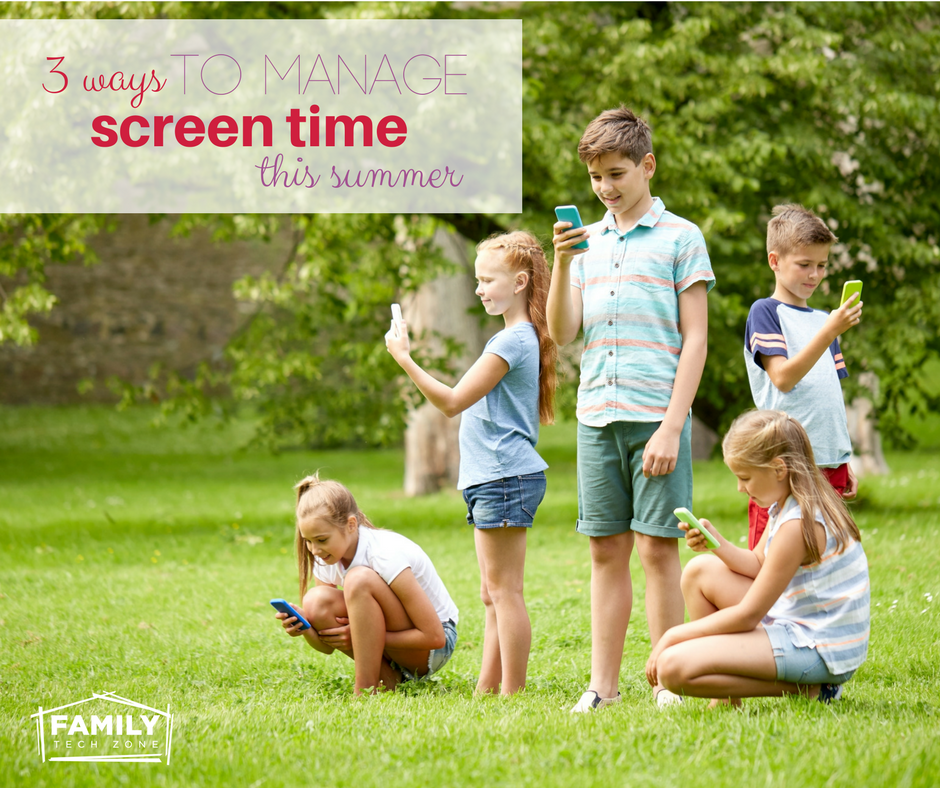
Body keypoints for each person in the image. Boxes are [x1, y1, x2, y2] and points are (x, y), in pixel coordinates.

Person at [547, 105, 715, 710]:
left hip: (656, 418)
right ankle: (603, 688)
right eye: (596, 178)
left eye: (616, 174)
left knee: (657, 548)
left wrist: (672, 427)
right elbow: (563, 333)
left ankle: (669, 682)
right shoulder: (586, 243)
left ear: (648, 165)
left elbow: (696, 338)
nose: (606, 188)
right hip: (597, 417)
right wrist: (563, 262)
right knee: (605, 551)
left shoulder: (682, 238)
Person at [385, 230, 557, 695]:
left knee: (505, 592)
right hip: (492, 477)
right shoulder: (513, 337)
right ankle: (487, 688)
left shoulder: (512, 341)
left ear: (519, 282)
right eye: (477, 279)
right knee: (491, 593)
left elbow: (452, 401)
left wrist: (405, 359)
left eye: (487, 280)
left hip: (504, 476)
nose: (479, 289)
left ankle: (512, 692)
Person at [645, 409, 870, 704]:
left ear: (778, 469)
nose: (740, 488)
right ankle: (726, 701)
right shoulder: (788, 504)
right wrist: (716, 543)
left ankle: (815, 688)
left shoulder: (797, 524)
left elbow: (748, 615)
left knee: (672, 668)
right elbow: (760, 564)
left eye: (745, 477)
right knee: (699, 571)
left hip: (821, 647)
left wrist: (673, 635)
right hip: (800, 624)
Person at [744, 204, 863, 549]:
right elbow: (782, 378)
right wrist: (829, 332)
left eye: (822, 265)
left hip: (828, 462)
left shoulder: (824, 320)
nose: (814, 275)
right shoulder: (766, 312)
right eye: (804, 264)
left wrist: (841, 458)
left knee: (822, 554)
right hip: (783, 462)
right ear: (775, 261)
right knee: (771, 557)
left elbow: (827, 396)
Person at [275, 474, 459, 695]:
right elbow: (327, 646)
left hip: (432, 646)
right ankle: (387, 679)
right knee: (315, 601)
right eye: (308, 541)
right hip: (395, 643)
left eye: (322, 540)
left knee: (358, 579)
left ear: (351, 525)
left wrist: (360, 635)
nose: (314, 550)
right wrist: (305, 628)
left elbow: (434, 637)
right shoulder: (326, 559)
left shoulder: (384, 554)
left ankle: (364, 691)